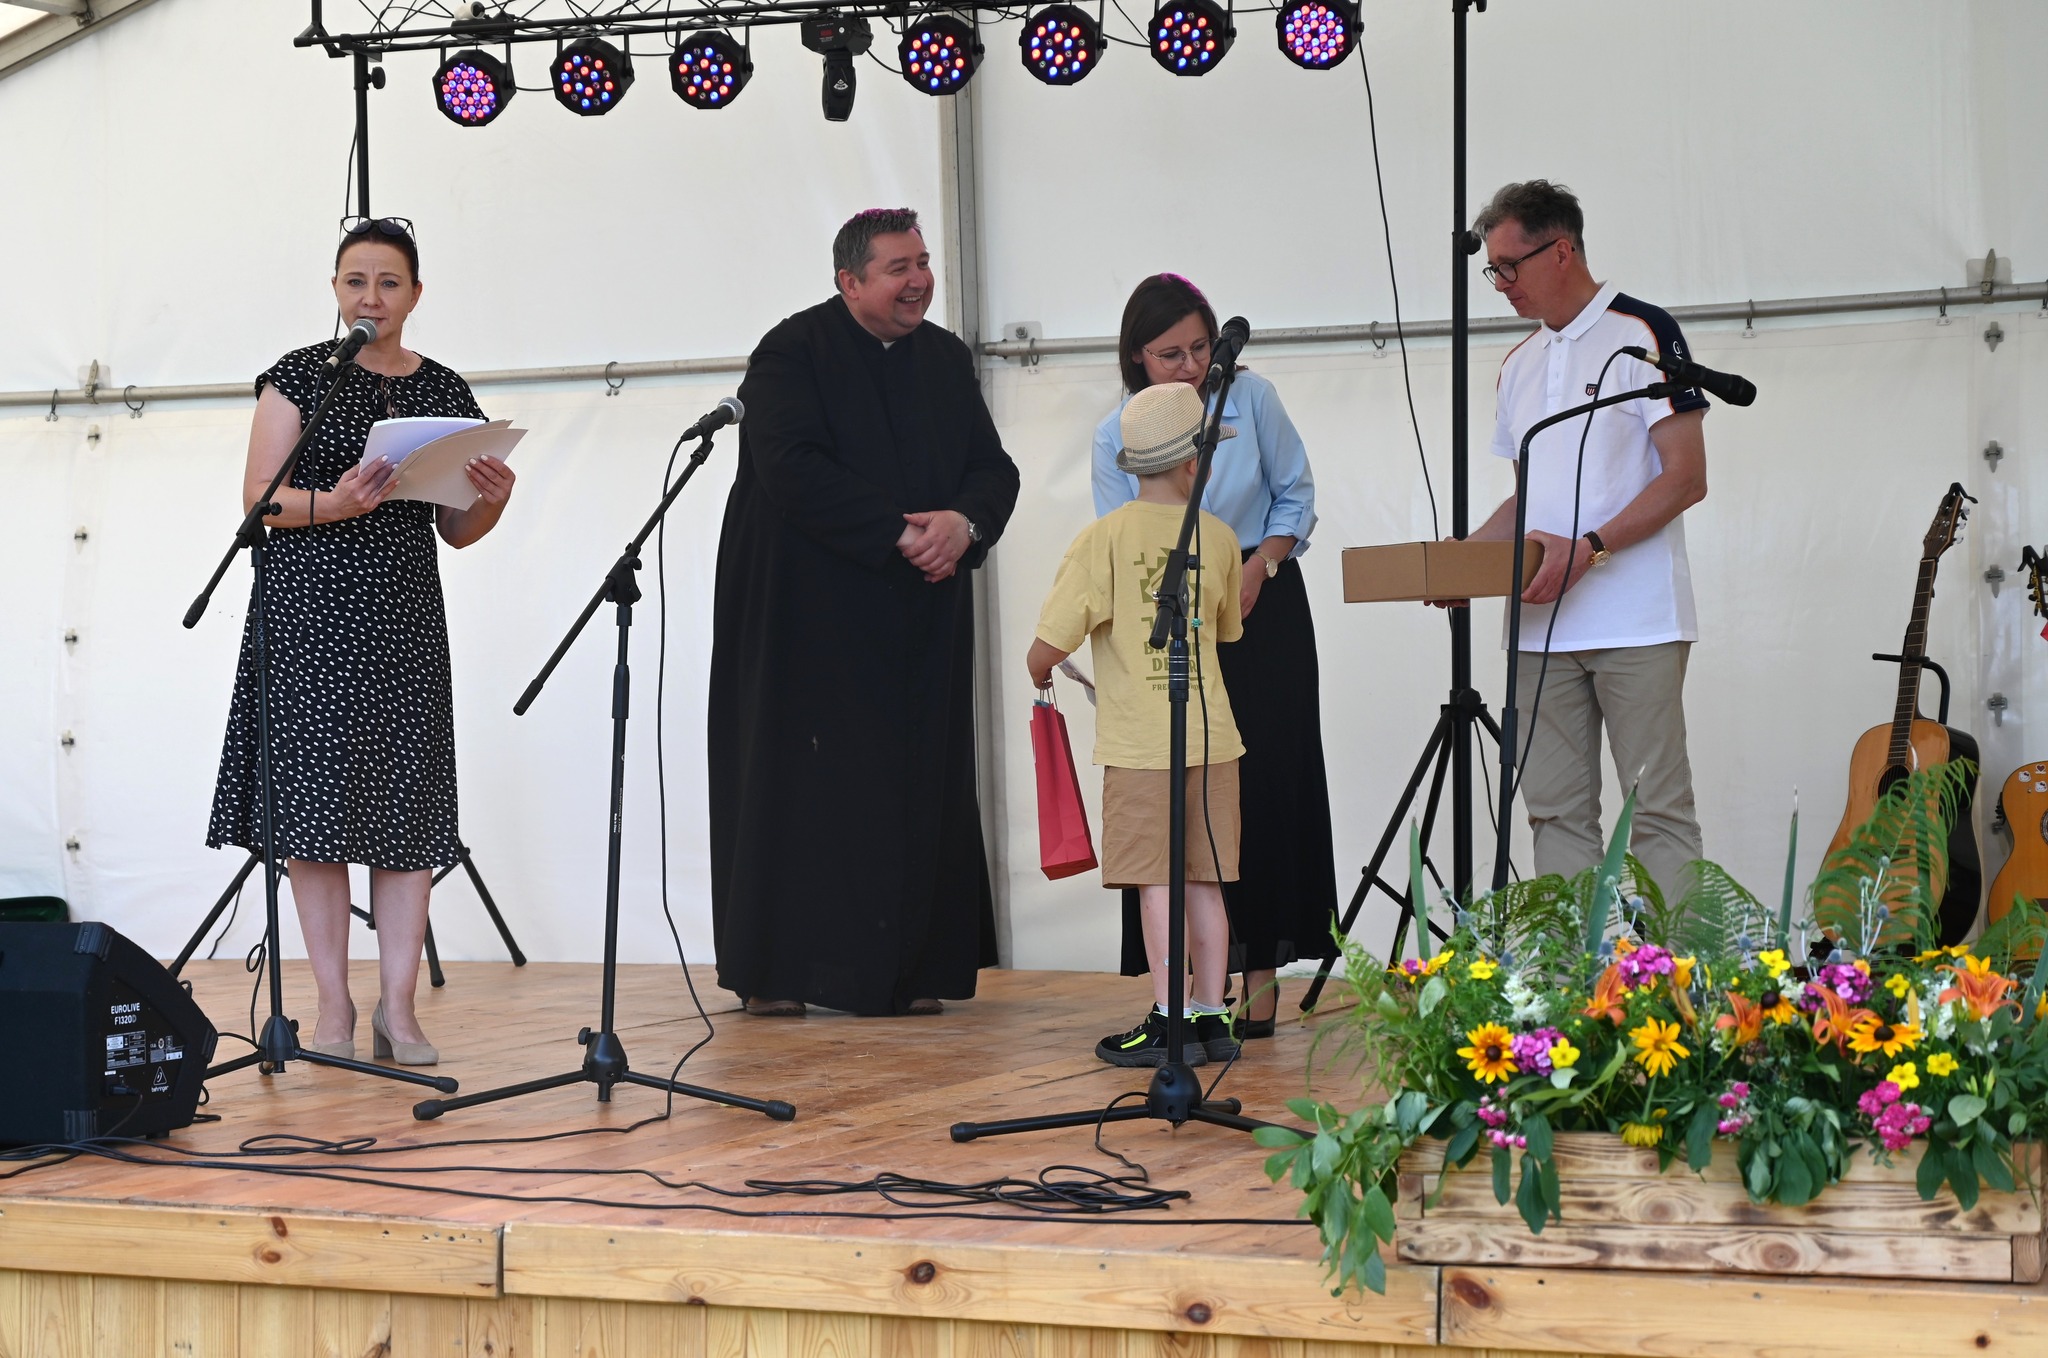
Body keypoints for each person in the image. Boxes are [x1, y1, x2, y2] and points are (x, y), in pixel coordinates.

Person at [207, 216, 517, 1066]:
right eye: (355, 281)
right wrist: (335, 504)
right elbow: (260, 501)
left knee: (407, 814)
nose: (370, 297)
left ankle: (400, 1010)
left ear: (414, 295)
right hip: (309, 619)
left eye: (387, 283)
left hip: (403, 620)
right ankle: (334, 1005)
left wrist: (493, 499)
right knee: (315, 815)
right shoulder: (299, 376)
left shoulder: (444, 389)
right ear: (335, 290)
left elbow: (457, 529)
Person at [708, 208, 1020, 1018]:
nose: (919, 280)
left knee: (916, 787)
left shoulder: (944, 358)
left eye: (923, 262)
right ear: (849, 281)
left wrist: (964, 525)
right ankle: (783, 974)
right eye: (898, 268)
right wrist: (897, 533)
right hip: (809, 619)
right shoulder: (791, 353)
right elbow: (790, 466)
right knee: (804, 790)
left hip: (918, 616)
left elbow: (993, 467)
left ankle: (910, 971)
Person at [1091, 274, 1338, 1040]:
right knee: (1175, 802)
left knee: (1263, 790)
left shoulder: (1252, 398)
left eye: (1200, 348)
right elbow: (1121, 536)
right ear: (1137, 357)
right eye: (1171, 354)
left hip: (1263, 606)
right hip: (1174, 621)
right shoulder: (1116, 431)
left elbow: (1296, 496)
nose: (1192, 365)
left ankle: (1259, 983)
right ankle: (1190, 993)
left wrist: (1260, 564)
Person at [1464, 180, 1709, 892]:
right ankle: (1569, 963)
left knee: (1656, 811)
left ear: (1562, 250)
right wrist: (1461, 562)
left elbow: (1686, 477)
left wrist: (1591, 548)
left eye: (1509, 265)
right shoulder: (1518, 364)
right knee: (1554, 813)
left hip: (1637, 620)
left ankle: (1671, 963)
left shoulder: (1643, 333)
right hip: (1538, 627)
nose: (1502, 284)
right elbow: (1528, 497)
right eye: (1492, 270)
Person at [1033, 382, 1246, 1066]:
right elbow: (1226, 631)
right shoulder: (1221, 538)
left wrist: (1040, 670)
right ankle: (1213, 1018)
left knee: (1158, 881)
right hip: (1213, 737)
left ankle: (1168, 1019)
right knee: (1206, 879)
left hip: (1139, 743)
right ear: (1195, 462)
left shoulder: (1103, 538)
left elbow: (1050, 644)